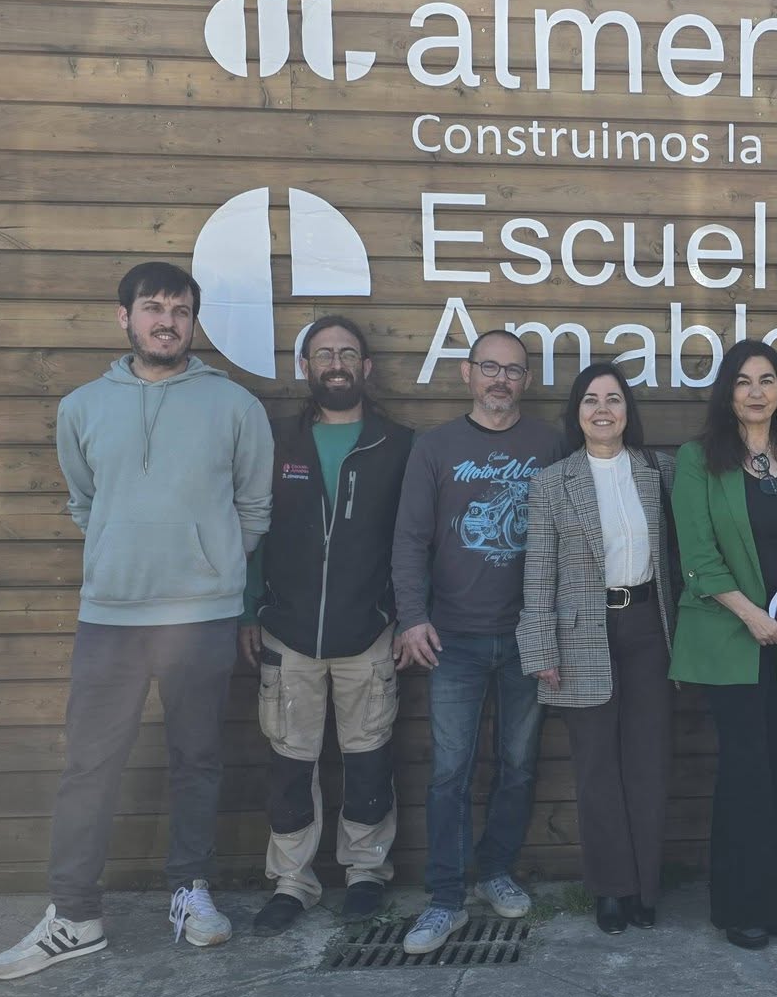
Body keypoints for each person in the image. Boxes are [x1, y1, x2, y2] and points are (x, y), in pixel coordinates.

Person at [0, 262, 273, 980]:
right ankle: (74, 914)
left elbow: (254, 506)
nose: (166, 322)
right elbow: (85, 501)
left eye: (180, 310)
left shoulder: (234, 405)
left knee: (197, 759)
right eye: (153, 308)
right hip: (111, 617)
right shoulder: (82, 407)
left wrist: (208, 565)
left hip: (201, 615)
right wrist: (124, 552)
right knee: (89, 764)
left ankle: (191, 891)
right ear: (125, 317)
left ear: (193, 322)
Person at [239, 315, 414, 935]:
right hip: (287, 633)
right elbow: (254, 529)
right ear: (305, 367)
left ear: (366, 367)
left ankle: (366, 873)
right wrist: (249, 608)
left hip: (369, 631)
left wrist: (403, 616)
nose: (335, 364)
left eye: (346, 353)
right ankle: (293, 881)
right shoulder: (277, 442)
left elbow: (412, 540)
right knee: (291, 762)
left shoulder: (398, 445)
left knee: (368, 759)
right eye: (323, 354)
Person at [391, 330, 563, 955]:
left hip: (528, 637)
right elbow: (410, 538)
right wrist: (412, 617)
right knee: (449, 773)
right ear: (467, 373)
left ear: (526, 379)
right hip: (454, 638)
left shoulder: (550, 444)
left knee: (518, 765)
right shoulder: (434, 447)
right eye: (489, 367)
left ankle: (495, 870)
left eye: (512, 370)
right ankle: (444, 899)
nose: (500, 379)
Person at [669, 341, 777, 950]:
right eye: (743, 381)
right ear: (727, 393)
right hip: (728, 637)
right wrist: (750, 616)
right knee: (744, 765)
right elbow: (698, 555)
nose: (756, 392)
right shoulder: (698, 459)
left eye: (767, 380)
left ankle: (774, 892)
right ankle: (741, 906)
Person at [517, 363, 679, 936]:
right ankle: (612, 890)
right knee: (595, 769)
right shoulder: (552, 482)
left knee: (648, 763)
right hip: (581, 633)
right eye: (591, 400)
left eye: (613, 399)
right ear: (577, 412)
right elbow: (539, 573)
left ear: (628, 411)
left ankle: (646, 888)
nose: (603, 409)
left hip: (649, 629)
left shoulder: (658, 472)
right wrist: (540, 647)